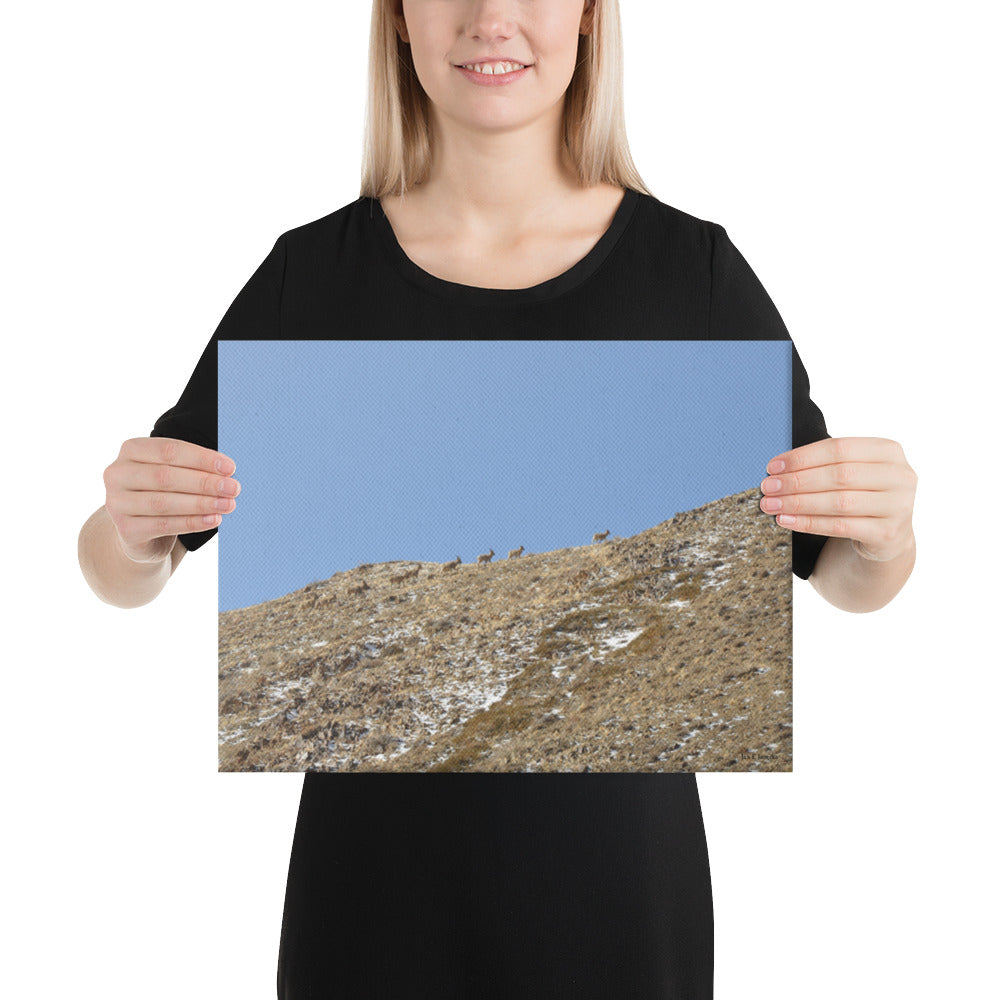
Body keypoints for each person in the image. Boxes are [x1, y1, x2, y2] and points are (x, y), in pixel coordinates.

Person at [77, 1, 917, 996]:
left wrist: (884, 535)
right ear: (398, 18)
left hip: (619, 909)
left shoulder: (691, 274)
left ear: (590, 16)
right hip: (369, 911)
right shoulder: (312, 277)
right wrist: (131, 533)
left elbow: (838, 571)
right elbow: (123, 567)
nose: (491, 18)